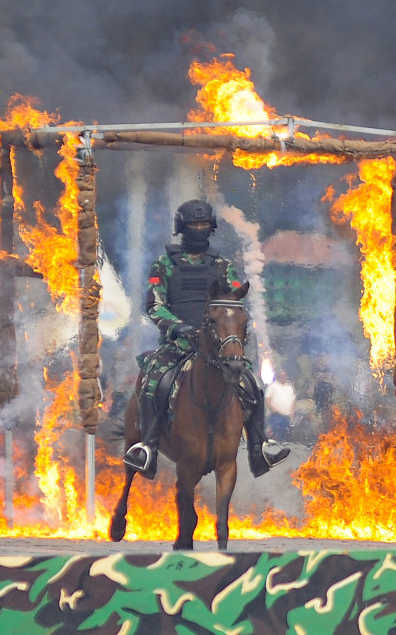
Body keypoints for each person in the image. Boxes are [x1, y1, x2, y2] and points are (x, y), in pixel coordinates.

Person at [123, 199, 290, 478]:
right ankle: (147, 447)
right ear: (182, 228)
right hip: (176, 344)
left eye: (203, 224)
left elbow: (236, 301)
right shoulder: (164, 264)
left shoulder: (223, 266)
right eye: (193, 225)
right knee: (151, 382)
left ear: (210, 228)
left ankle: (261, 447)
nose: (199, 229)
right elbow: (154, 305)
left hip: (216, 346)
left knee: (252, 384)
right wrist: (178, 327)